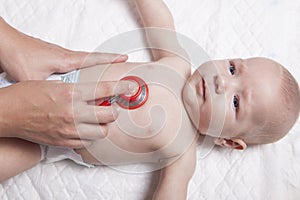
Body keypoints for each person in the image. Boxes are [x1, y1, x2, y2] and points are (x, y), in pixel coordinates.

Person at [1, 1, 299, 199]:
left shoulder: (182, 151)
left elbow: (173, 191)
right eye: (233, 68)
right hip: (45, 73)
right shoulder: (177, 62)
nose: (223, 81)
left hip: (44, 142)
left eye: (236, 102)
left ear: (228, 141)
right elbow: (161, 21)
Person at [0, 17, 136, 148]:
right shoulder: (159, 63)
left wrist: (5, 35)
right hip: (47, 115)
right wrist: (13, 112)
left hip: (49, 138)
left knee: (21, 154)